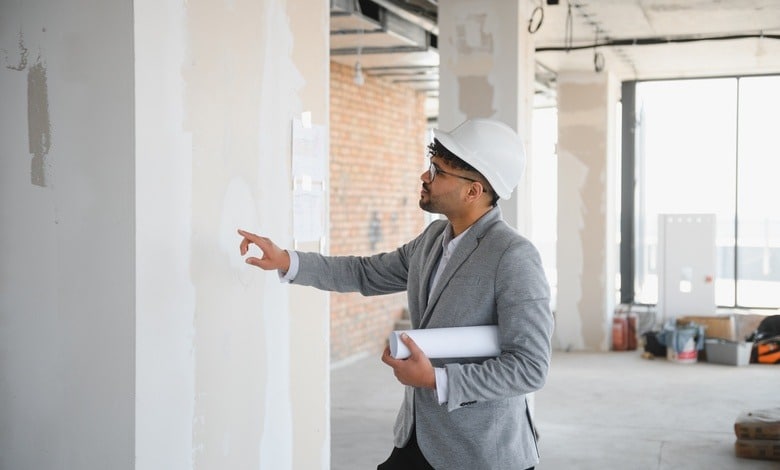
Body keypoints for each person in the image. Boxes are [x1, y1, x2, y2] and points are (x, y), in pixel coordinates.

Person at [238, 118, 554, 469]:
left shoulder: (513, 256)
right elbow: (366, 272)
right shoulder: (434, 239)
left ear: (473, 191)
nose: (424, 177)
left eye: (438, 171)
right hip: (418, 436)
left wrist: (438, 379)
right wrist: (288, 260)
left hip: (479, 451)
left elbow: (530, 367)